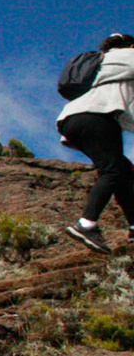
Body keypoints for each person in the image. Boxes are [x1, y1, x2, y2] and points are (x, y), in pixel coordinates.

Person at [57, 32, 134, 253]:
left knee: (122, 170)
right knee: (112, 171)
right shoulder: (126, 57)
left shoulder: (103, 64)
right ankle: (86, 225)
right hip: (97, 117)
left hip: (73, 121)